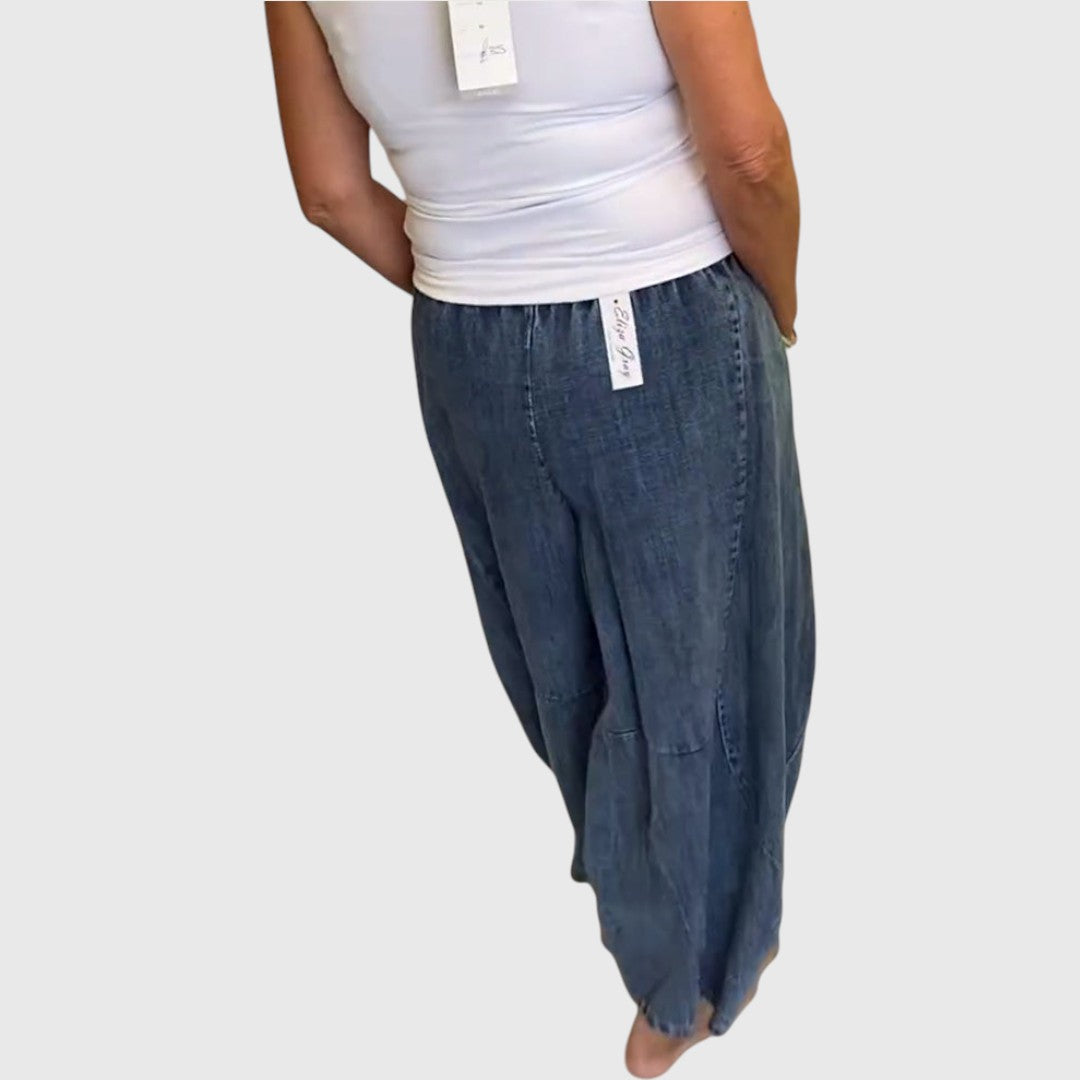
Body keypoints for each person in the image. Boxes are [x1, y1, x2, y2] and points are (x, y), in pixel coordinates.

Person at [265, 2, 815, 1075]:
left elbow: (329, 190)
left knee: (562, 662)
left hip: (461, 338)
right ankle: (700, 971)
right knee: (708, 661)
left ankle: (650, 895)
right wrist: (781, 301)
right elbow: (750, 153)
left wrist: (482, 285)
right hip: (662, 309)